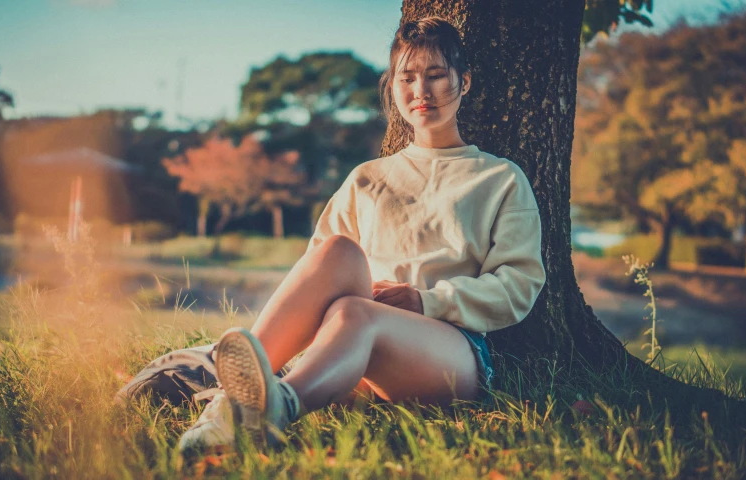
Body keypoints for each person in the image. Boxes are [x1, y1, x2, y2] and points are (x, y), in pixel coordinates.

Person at [120, 16, 546, 451]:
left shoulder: (499, 178)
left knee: (357, 314)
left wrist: (427, 300)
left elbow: (519, 285)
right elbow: (317, 278)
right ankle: (232, 401)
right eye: (408, 77)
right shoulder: (367, 178)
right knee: (337, 254)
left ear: (465, 82)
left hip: (449, 352)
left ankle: (271, 408)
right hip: (354, 340)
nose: (422, 91)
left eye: (437, 75)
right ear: (393, 86)